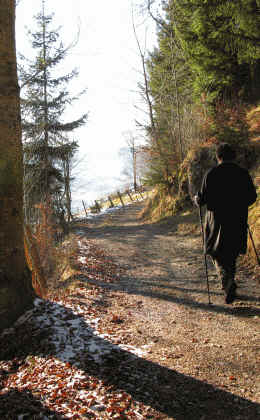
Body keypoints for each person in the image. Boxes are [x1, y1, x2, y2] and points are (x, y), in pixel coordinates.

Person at [195, 143, 257, 304]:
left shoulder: (211, 174)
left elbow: (202, 199)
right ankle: (230, 281)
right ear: (233, 156)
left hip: (216, 222)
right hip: (237, 219)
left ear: (218, 156)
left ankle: (227, 282)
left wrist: (196, 199)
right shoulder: (242, 174)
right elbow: (252, 197)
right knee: (232, 253)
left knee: (217, 254)